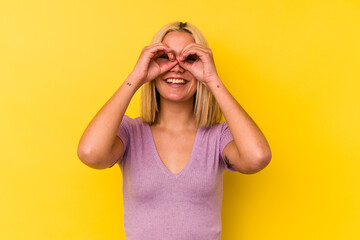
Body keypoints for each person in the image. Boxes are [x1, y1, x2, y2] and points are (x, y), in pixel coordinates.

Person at [77, 21, 271, 240]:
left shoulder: (218, 137)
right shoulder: (130, 132)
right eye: (165, 57)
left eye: (189, 59)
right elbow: (90, 153)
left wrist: (212, 79)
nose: (177, 67)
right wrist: (136, 77)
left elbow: (258, 157)